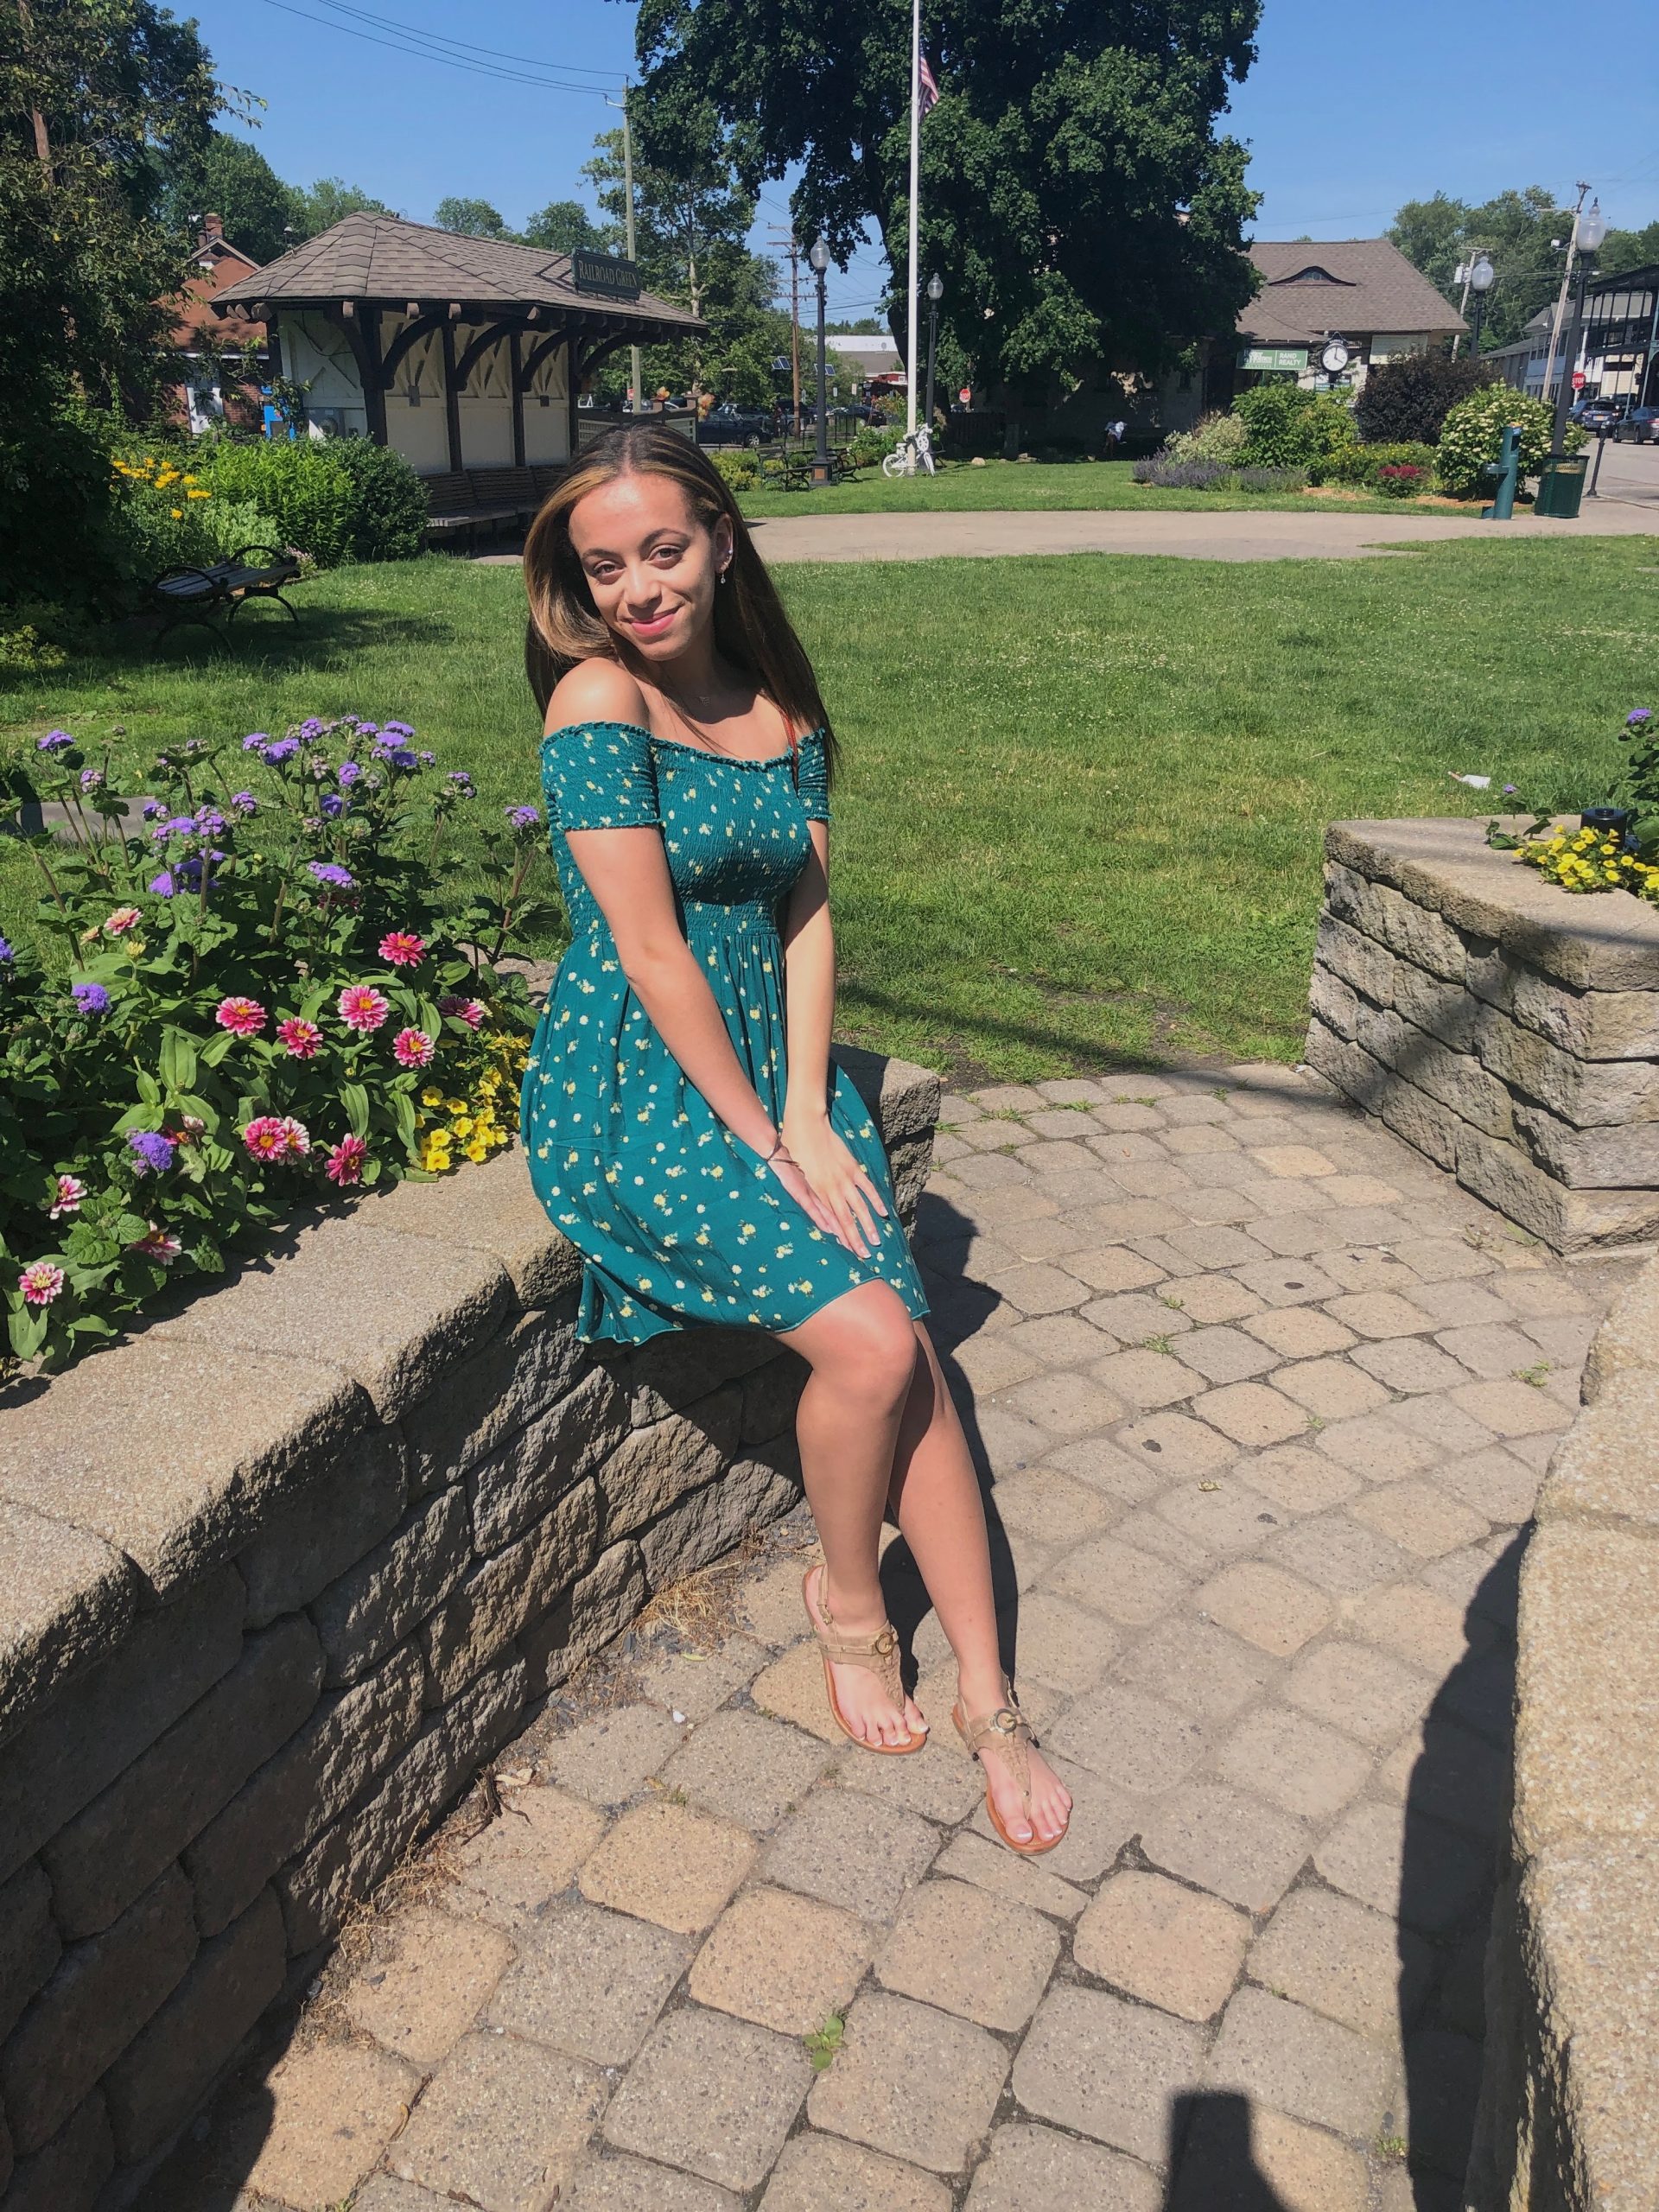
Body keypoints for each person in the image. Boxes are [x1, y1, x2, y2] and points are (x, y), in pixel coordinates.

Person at [519, 424, 1071, 1853]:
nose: (639, 588)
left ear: (720, 538)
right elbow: (652, 951)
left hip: (775, 1074)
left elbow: (809, 921)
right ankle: (849, 1602)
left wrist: (819, 1110)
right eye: (605, 568)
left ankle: (991, 1693)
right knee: (877, 1346)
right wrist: (766, 1137)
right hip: (642, 1085)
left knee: (918, 1362)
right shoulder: (597, 702)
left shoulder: (784, 712)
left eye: (663, 551)